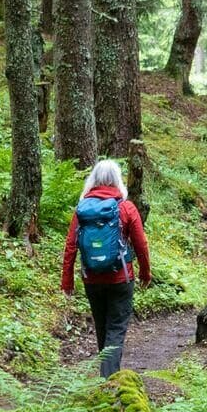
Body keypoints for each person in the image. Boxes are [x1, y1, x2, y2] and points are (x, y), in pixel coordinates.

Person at [61, 159, 151, 377]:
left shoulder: (82, 210)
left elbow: (71, 245)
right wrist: (145, 272)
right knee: (116, 330)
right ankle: (109, 381)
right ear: (117, 180)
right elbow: (141, 244)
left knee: (103, 329)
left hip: (92, 279)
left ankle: (106, 376)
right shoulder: (126, 207)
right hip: (121, 279)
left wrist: (67, 280)